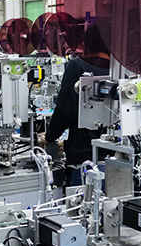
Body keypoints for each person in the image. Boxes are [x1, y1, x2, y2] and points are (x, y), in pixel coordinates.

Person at [44, 25, 110, 186]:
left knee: (82, 197)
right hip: (117, 155)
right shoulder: (119, 69)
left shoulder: (77, 66)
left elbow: (65, 109)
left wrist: (50, 137)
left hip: (82, 154)